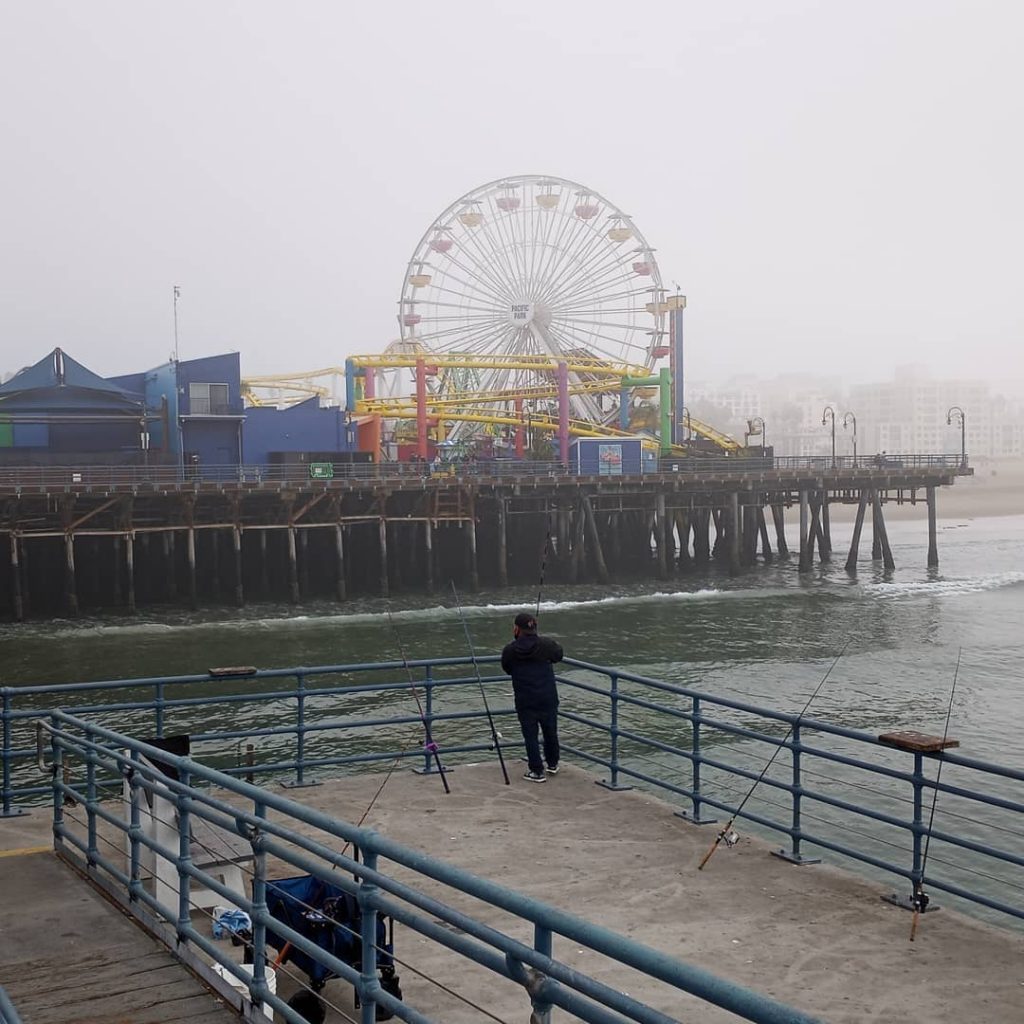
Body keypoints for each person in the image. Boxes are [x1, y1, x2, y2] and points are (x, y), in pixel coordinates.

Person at [501, 612, 563, 783]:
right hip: (548, 697)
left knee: (530, 736)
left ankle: (536, 771)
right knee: (550, 732)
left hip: (525, 699)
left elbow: (507, 668)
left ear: (516, 629)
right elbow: (559, 655)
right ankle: (552, 763)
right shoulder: (546, 644)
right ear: (534, 627)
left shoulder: (510, 650)